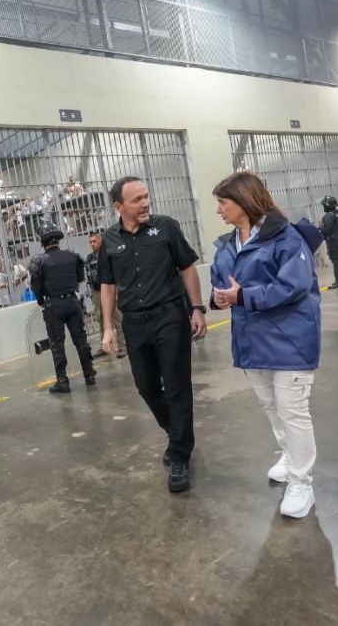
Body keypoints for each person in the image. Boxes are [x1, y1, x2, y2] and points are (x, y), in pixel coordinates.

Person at [209, 172, 322, 519]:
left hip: (289, 338)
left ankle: (303, 482)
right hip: (250, 339)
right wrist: (219, 298)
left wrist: (242, 295)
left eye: (223, 203)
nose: (219, 210)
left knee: (292, 410)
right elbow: (220, 281)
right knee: (271, 406)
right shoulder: (228, 244)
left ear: (244, 202)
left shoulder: (287, 238)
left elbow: (294, 286)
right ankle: (289, 456)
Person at [97, 177, 205, 493]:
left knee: (176, 386)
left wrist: (196, 308)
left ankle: (180, 456)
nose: (145, 204)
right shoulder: (110, 240)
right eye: (137, 200)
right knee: (146, 387)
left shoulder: (166, 227)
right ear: (118, 206)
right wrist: (107, 327)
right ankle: (179, 434)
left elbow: (187, 267)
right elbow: (107, 285)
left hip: (169, 316)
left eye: (146, 197)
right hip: (134, 322)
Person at [30, 223, 96, 393]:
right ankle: (89, 374)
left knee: (57, 344)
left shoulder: (39, 261)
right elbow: (80, 278)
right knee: (80, 340)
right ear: (58, 239)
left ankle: (62, 381)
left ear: (43, 242)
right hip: (73, 303)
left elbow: (36, 287)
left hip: (54, 305)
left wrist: (41, 301)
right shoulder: (72, 256)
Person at [86, 232, 125, 357]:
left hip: (111, 289)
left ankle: (123, 345)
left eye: (94, 241)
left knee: (117, 317)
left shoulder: (109, 254)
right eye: (90, 242)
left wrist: (118, 290)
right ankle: (105, 346)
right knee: (100, 318)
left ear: (100, 240)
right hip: (97, 292)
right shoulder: (90, 258)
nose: (92, 244)